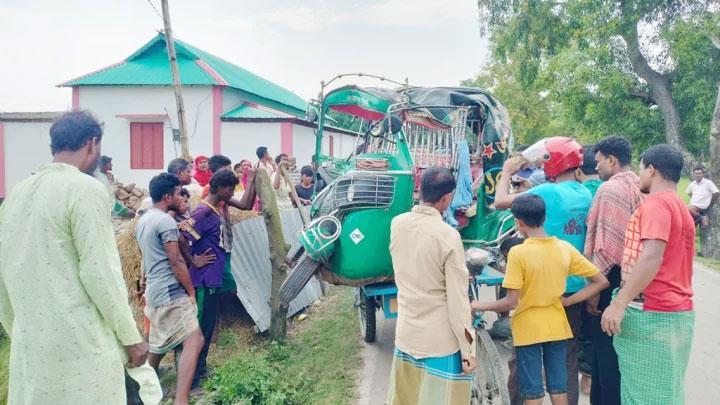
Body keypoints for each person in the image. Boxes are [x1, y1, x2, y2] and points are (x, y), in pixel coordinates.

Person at [0, 111, 149, 403]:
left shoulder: (15, 195)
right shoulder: (85, 189)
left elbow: (4, 274)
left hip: (32, 352)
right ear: (92, 144)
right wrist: (131, 338)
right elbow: (100, 273)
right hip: (81, 350)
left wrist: (20, 331)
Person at [473, 194, 608, 405]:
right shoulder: (564, 248)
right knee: (558, 387)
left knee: (533, 391)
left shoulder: (518, 253)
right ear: (544, 218)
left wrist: (479, 305)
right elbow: (600, 281)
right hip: (557, 326)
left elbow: (510, 302)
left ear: (519, 223)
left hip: (529, 330)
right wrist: (569, 301)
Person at [495, 137, 592, 405]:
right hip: (573, 289)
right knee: (566, 360)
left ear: (553, 163)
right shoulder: (586, 193)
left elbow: (501, 201)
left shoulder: (549, 193)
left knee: (524, 358)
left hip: (539, 287)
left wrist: (506, 172)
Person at [601, 144, 695, 405]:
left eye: (641, 169)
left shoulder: (656, 205)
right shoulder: (680, 207)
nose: (639, 176)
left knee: (641, 396)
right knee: (666, 394)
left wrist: (619, 304)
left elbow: (652, 256)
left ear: (652, 170)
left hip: (651, 313)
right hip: (678, 313)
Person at [387, 167, 476, 405]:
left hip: (406, 335)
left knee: (408, 398)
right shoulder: (447, 235)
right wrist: (468, 349)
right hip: (439, 343)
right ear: (447, 198)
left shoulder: (397, 224)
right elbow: (458, 302)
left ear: (420, 190)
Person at [583, 135, 643, 405]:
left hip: (609, 277)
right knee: (625, 353)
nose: (596, 168)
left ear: (612, 160)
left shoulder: (609, 190)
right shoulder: (642, 186)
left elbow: (605, 247)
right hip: (634, 278)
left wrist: (594, 289)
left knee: (604, 353)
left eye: (599, 162)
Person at [136, 173, 204, 405]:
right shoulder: (165, 222)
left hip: (154, 291)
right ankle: (181, 400)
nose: (180, 196)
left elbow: (146, 256)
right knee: (194, 340)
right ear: (167, 196)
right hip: (170, 291)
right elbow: (176, 262)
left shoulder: (144, 220)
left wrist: (144, 280)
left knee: (159, 343)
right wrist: (191, 291)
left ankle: (141, 389)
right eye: (177, 193)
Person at [181, 169, 239, 388]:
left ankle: (201, 368)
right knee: (201, 329)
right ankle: (192, 378)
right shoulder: (202, 212)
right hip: (203, 279)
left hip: (213, 277)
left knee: (208, 325)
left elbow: (194, 237)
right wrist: (194, 260)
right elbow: (181, 233)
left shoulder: (214, 210)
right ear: (218, 188)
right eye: (230, 188)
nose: (232, 192)